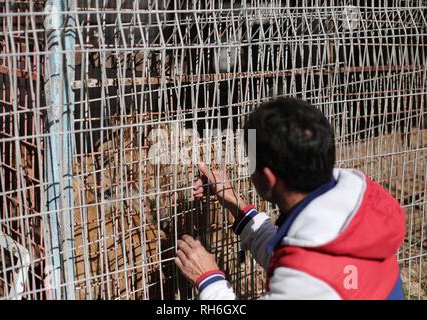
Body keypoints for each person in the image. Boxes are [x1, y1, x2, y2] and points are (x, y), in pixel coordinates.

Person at [174, 97, 406, 300]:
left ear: (268, 177)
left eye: (251, 164)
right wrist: (236, 204)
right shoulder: (357, 209)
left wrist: (209, 280)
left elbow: (304, 274)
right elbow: (295, 255)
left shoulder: (308, 279)